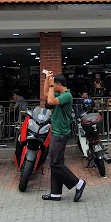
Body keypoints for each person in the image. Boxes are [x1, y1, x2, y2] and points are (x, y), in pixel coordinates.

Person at [41, 71, 85, 202]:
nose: (52, 87)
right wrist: (47, 79)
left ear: (59, 85)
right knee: (56, 163)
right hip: (57, 131)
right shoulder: (61, 93)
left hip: (60, 133)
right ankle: (55, 193)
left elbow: (50, 100)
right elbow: (45, 94)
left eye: (54, 85)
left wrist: (51, 86)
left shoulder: (67, 96)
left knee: (54, 163)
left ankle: (78, 183)